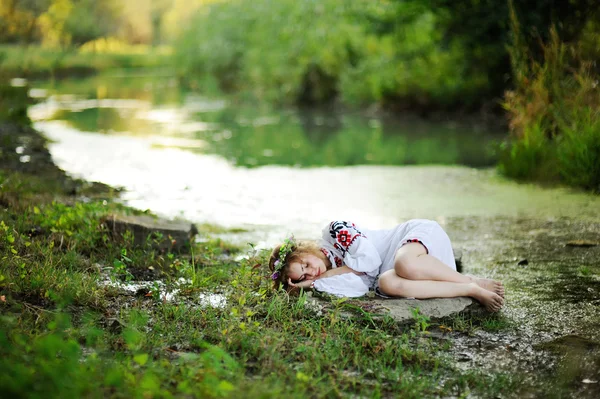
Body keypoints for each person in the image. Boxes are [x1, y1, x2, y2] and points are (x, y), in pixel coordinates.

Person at [268, 220, 504, 312]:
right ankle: (470, 289)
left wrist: (324, 276)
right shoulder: (328, 276)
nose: (312, 272)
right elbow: (359, 288)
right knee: (386, 282)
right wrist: (315, 283)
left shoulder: (335, 231)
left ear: (305, 250)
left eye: (306, 264)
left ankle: (471, 280)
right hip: (403, 270)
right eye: (304, 275)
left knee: (404, 263)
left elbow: (370, 262)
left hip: (412, 241)